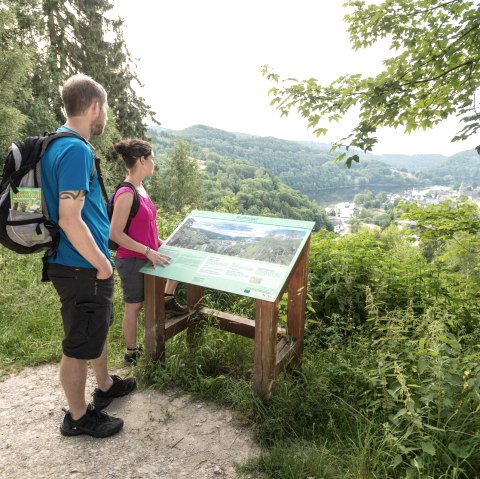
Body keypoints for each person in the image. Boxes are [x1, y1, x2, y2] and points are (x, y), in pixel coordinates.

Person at [41, 74, 136, 438]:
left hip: (72, 261)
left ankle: (105, 384)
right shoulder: (76, 149)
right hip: (81, 265)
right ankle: (79, 416)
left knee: (93, 330)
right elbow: (69, 217)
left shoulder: (54, 143)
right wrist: (100, 262)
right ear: (95, 106)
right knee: (79, 342)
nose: (106, 116)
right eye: (106, 108)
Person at [110, 139, 188, 366]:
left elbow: (145, 227)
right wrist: (148, 251)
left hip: (148, 253)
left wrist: (162, 243)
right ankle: (131, 353)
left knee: (179, 258)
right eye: (152, 158)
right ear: (142, 160)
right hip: (132, 259)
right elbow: (115, 233)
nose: (154, 162)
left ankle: (168, 297)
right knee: (134, 306)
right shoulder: (126, 192)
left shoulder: (141, 188)